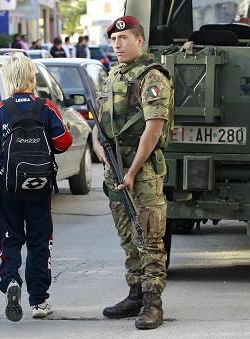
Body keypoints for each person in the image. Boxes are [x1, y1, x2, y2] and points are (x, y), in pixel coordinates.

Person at [92, 16, 173, 330]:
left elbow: (152, 132)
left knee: (149, 238)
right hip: (116, 170)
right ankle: (135, 294)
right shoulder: (114, 75)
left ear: (140, 41)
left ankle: (153, 303)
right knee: (128, 238)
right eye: (114, 40)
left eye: (124, 39)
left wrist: (132, 171)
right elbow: (101, 126)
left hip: (143, 173)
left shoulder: (152, 77)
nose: (117, 45)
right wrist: (100, 150)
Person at [0, 54, 73, 322]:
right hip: (40, 185)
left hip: (9, 186)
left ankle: (11, 280)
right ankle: (39, 300)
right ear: (32, 78)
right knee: (39, 240)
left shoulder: (1, 109)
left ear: (8, 79)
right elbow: (63, 142)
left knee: (10, 237)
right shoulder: (46, 107)